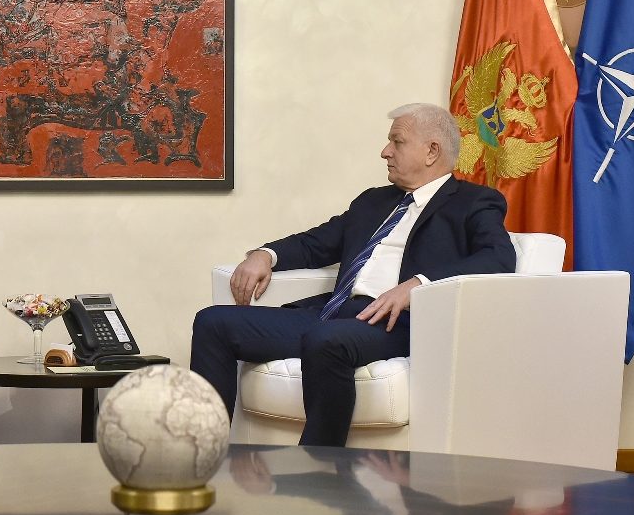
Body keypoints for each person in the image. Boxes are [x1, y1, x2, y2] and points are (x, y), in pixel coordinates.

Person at [190, 103, 516, 447]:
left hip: (398, 324)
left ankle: (318, 465)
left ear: (431, 151)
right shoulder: (373, 202)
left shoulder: (473, 202)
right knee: (213, 323)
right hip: (334, 314)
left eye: (397, 142)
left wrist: (418, 286)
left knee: (327, 340)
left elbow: (498, 257)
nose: (385, 151)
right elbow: (316, 243)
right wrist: (265, 255)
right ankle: (202, 453)